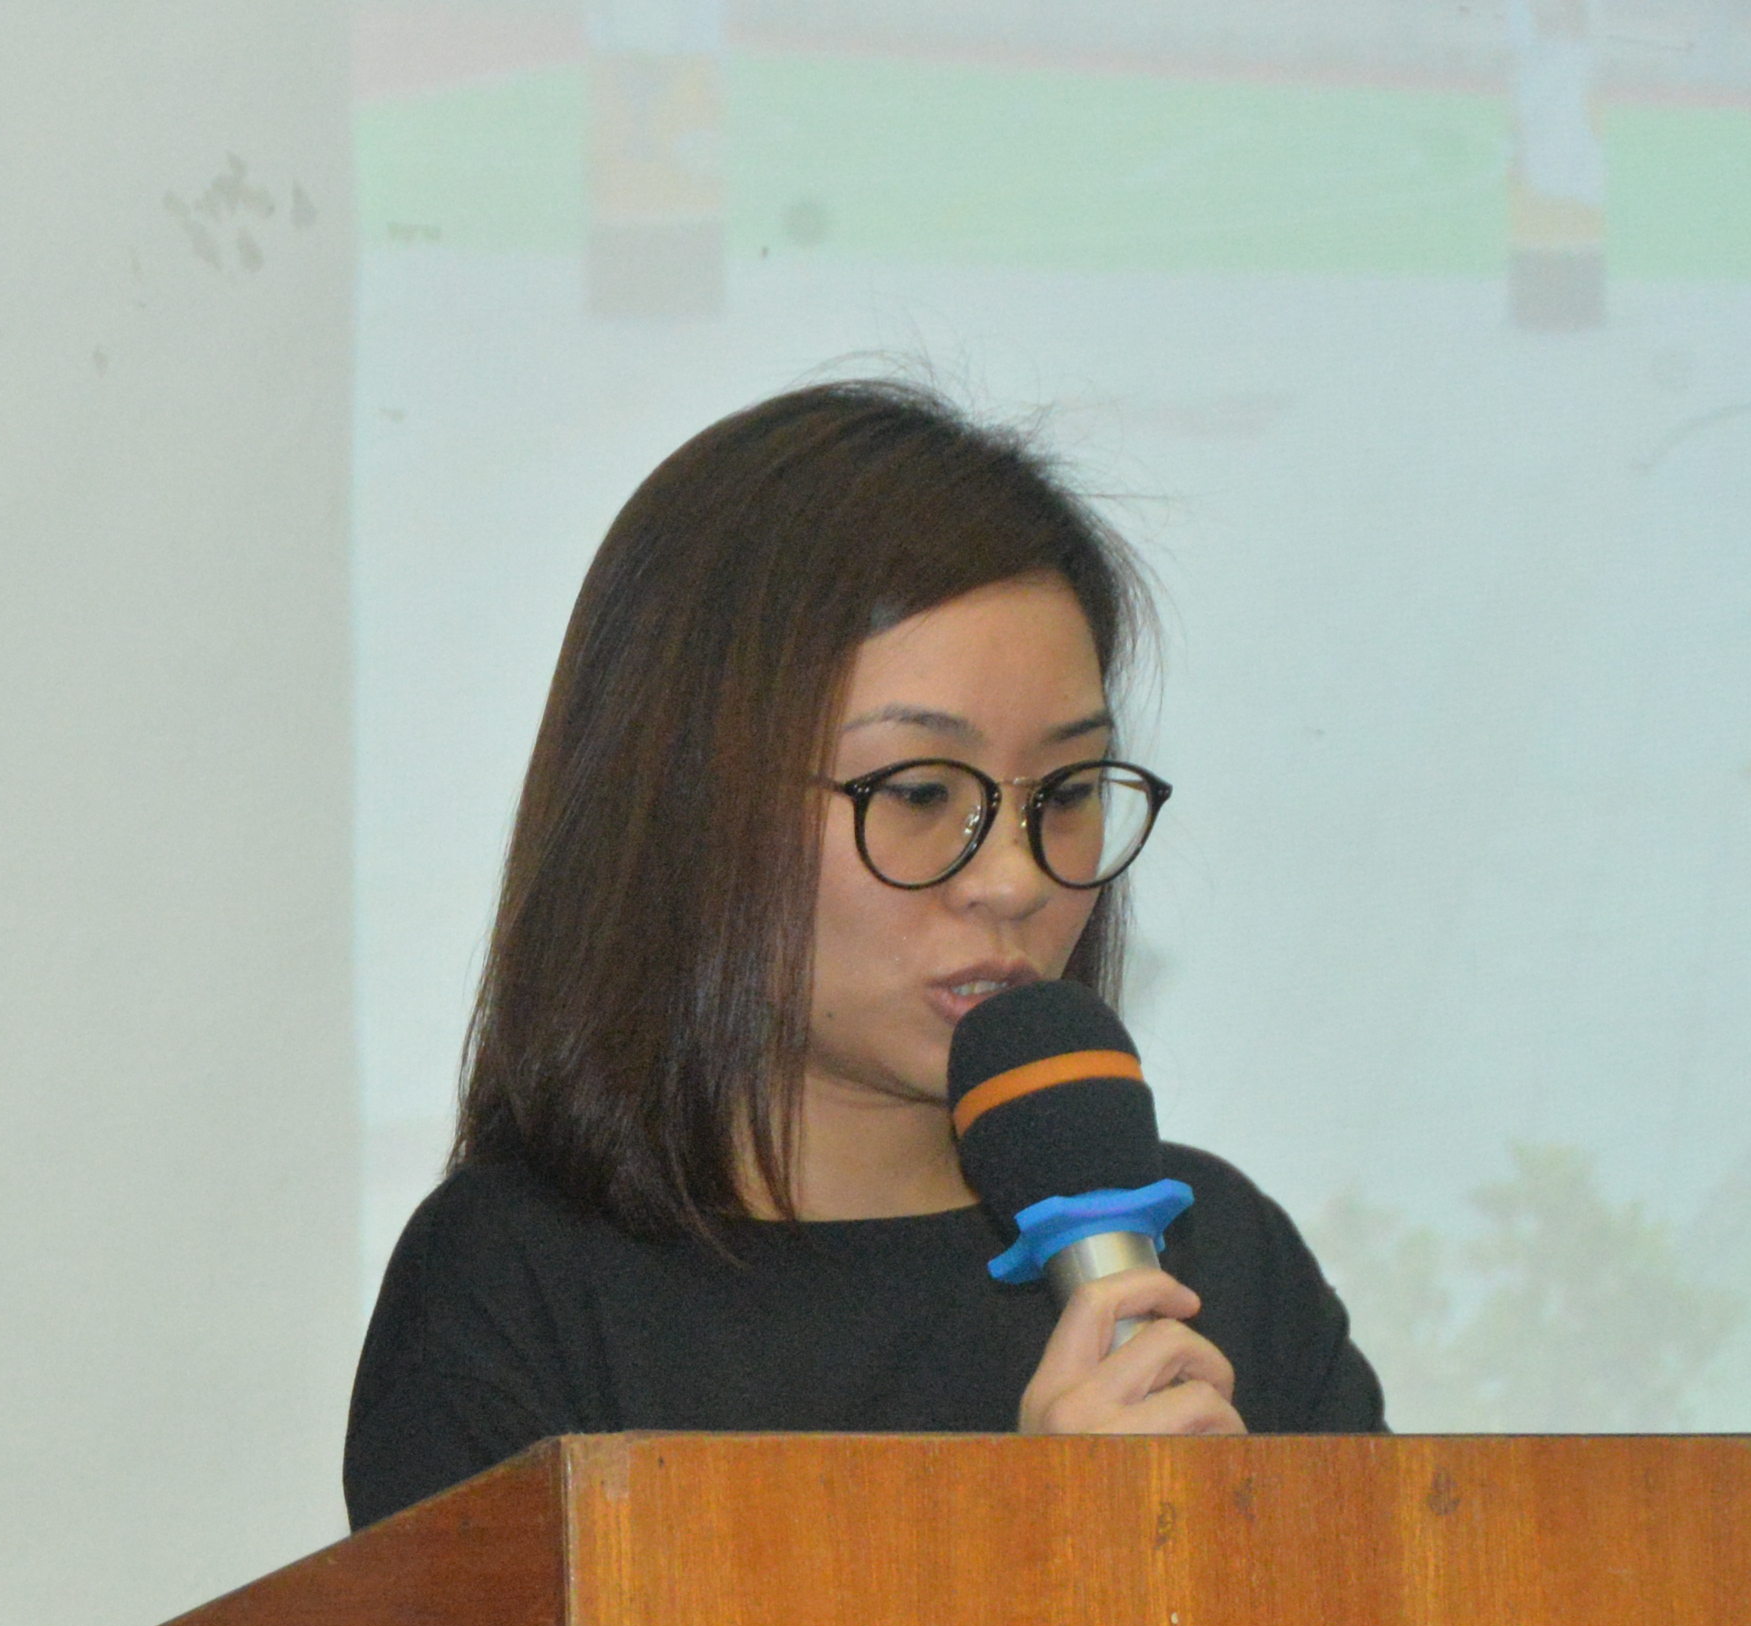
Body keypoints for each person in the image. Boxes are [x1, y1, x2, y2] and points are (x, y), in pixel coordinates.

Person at [345, 380, 1382, 1528]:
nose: (1014, 880)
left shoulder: (1211, 1258)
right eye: (922, 792)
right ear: (689, 807)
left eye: (1069, 791)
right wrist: (1041, 1552)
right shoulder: (515, 1288)